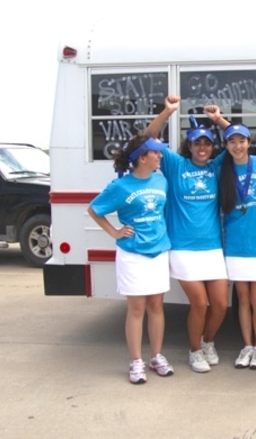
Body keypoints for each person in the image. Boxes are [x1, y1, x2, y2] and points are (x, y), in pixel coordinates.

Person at [143, 97, 231, 374]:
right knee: (200, 303)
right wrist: (167, 112)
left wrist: (219, 120)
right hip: (182, 247)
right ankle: (194, 350)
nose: (202, 148)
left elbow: (236, 140)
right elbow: (148, 138)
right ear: (189, 146)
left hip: (212, 246)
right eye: (197, 143)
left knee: (220, 304)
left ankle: (208, 342)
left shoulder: (216, 167)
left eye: (206, 143)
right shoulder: (175, 165)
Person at [86, 135, 172, 385]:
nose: (160, 156)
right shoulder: (120, 186)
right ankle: (136, 361)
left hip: (159, 251)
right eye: (156, 153)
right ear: (142, 158)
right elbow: (94, 209)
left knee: (156, 306)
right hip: (133, 254)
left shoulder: (161, 180)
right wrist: (114, 232)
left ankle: (156, 356)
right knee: (137, 309)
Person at [219, 124, 256, 370]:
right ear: (226, 146)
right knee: (242, 299)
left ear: (249, 143)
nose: (237, 146)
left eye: (242, 141)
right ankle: (247, 346)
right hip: (236, 242)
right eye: (232, 141)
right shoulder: (222, 169)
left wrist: (222, 120)